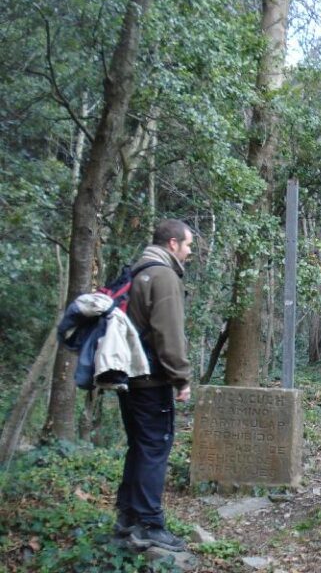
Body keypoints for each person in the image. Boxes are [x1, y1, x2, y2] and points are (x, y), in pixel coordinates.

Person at [113, 219, 194, 552]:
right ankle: (149, 524)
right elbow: (169, 335)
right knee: (154, 448)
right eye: (188, 245)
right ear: (172, 243)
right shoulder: (163, 276)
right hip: (150, 379)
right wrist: (181, 377)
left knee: (140, 446)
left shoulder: (137, 270)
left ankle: (127, 518)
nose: (189, 252)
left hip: (128, 377)